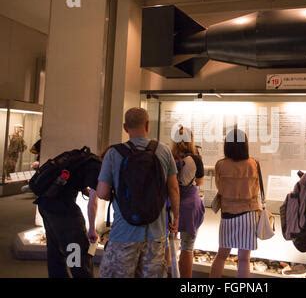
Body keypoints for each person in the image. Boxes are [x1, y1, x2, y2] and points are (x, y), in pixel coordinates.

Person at [95, 107, 180, 278]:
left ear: (125, 127)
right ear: (147, 125)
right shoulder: (163, 151)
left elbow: (102, 192)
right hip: (155, 233)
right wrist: (176, 217)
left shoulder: (113, 153)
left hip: (124, 232)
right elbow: (174, 189)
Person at [34, 151, 101, 278]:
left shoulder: (82, 158)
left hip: (45, 204)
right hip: (63, 210)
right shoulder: (98, 168)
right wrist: (92, 229)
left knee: (55, 251)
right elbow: (93, 203)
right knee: (75, 249)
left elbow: (74, 180)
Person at [209, 128, 262, 278]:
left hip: (228, 214)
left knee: (221, 256)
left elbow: (219, 187)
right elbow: (256, 189)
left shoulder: (220, 164)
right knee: (244, 259)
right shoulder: (253, 164)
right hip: (249, 214)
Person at [171, 126, 205, 278]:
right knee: (188, 247)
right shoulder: (196, 158)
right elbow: (199, 182)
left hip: (170, 203)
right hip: (190, 205)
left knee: (168, 243)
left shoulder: (169, 156)